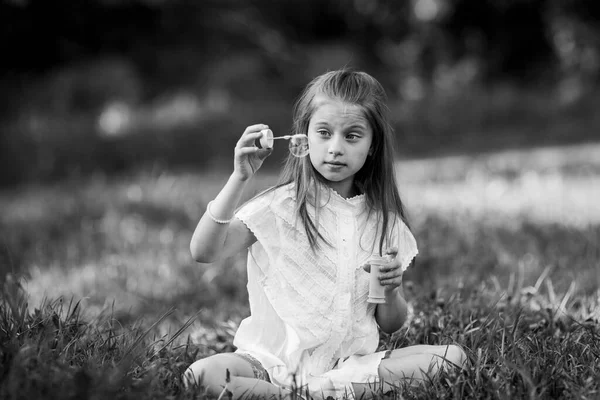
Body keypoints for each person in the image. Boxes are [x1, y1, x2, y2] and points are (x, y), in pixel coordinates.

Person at [184, 70, 467, 399]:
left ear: (373, 146)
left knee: (453, 358)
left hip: (349, 366)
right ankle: (314, 393)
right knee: (201, 374)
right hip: (268, 363)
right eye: (324, 132)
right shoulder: (279, 207)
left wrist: (391, 290)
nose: (335, 148)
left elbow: (389, 323)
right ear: (303, 139)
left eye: (352, 136)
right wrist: (239, 178)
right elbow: (203, 251)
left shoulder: (384, 224)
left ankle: (308, 393)